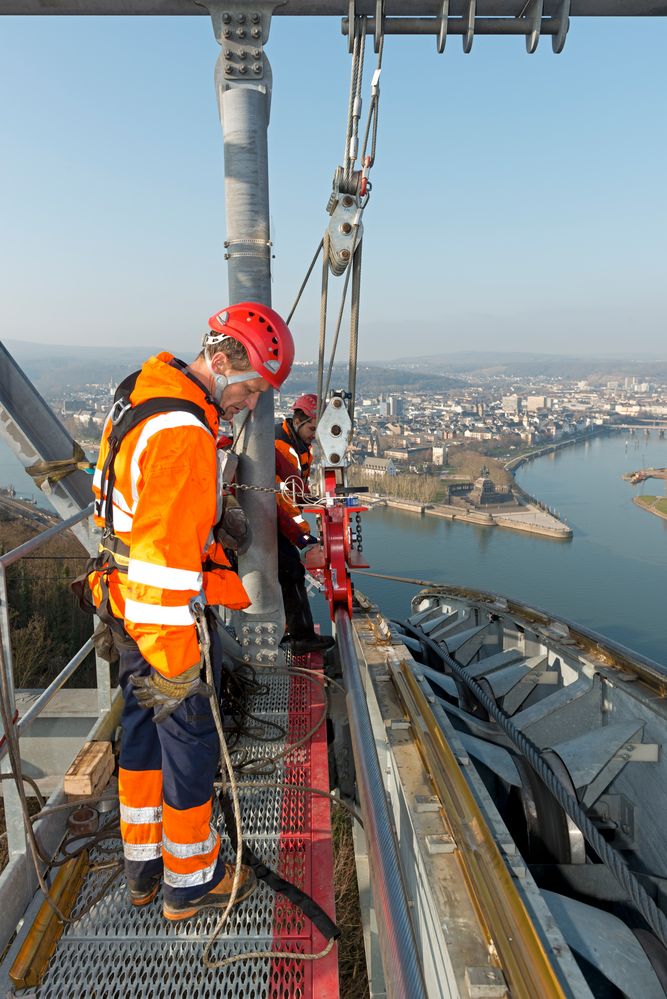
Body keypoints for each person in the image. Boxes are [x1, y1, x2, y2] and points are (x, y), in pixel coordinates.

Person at [88, 302, 294, 921]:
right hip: (159, 615)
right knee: (191, 738)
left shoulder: (144, 394)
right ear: (225, 361)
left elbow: (142, 523)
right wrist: (181, 662)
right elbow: (161, 564)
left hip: (125, 602)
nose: (252, 404)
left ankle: (143, 867)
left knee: (143, 731)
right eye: (253, 388)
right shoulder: (184, 433)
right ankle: (189, 879)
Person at [275, 394, 336, 656]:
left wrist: (314, 500)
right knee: (291, 572)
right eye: (312, 428)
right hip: (273, 520)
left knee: (285, 575)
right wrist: (304, 536)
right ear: (298, 420)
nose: (314, 435)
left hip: (275, 519)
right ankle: (300, 637)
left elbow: (296, 491)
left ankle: (291, 632)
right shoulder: (283, 447)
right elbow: (284, 498)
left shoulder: (297, 444)